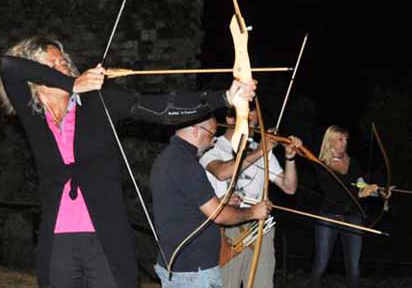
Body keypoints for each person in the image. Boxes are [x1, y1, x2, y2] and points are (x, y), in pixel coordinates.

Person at [0, 35, 257, 288]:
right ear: (35, 80)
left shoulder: (98, 104)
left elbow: (160, 108)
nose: (62, 65)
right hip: (58, 244)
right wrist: (72, 84)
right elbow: (8, 65)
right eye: (51, 64)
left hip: (105, 239)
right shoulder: (35, 118)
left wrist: (223, 98)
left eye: (64, 62)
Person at [150, 113, 273, 288]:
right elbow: (219, 215)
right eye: (211, 134)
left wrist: (220, 201)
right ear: (195, 131)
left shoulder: (165, 158)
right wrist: (254, 212)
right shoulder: (186, 164)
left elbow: (183, 206)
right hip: (193, 270)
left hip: (175, 265)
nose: (213, 141)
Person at [199, 106, 303, 288]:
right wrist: (262, 150)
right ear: (230, 120)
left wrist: (290, 158)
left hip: (261, 226)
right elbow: (222, 173)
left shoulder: (259, 149)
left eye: (254, 122)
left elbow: (289, 187)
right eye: (247, 120)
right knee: (226, 284)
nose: (252, 125)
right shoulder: (213, 147)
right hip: (227, 227)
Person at [310, 125, 383, 288]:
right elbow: (333, 191)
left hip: (352, 217)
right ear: (330, 142)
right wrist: (359, 193)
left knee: (354, 265)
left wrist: (378, 192)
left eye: (346, 140)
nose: (344, 143)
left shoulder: (353, 162)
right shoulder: (321, 164)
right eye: (340, 139)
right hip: (328, 217)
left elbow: (360, 184)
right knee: (321, 263)